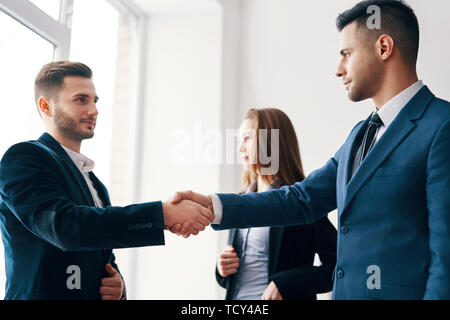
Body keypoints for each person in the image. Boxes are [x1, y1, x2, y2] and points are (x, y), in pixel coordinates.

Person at [171, 0, 450, 299]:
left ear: (383, 47)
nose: (338, 69)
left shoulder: (441, 126)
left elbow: (445, 258)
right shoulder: (359, 135)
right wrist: (213, 206)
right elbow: (301, 200)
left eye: (346, 54)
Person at [0, 61, 213, 300]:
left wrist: (118, 287)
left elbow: (103, 255)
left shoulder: (95, 183)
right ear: (46, 106)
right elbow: (64, 227)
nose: (94, 110)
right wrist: (162, 214)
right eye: (81, 99)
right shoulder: (23, 158)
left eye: (94, 100)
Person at [215, 108, 336, 300]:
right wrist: (222, 270)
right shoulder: (240, 200)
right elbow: (243, 273)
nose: (239, 149)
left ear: (268, 141)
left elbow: (337, 267)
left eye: (247, 139)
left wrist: (285, 283)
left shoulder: (302, 202)